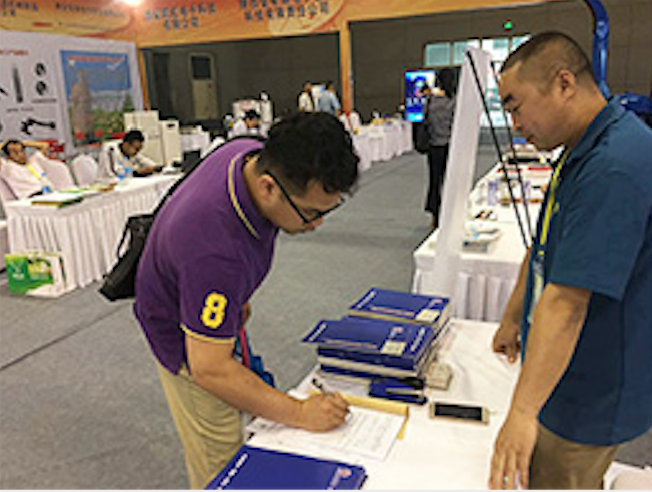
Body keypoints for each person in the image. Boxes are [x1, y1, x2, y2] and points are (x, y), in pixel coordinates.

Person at [134, 112, 358, 489]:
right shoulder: (216, 253)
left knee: (247, 395)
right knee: (221, 461)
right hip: (177, 330)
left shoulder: (249, 153)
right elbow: (209, 368)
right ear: (268, 187)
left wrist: (228, 298)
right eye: (311, 213)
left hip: (201, 283)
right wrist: (300, 412)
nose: (317, 224)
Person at [489, 31, 652, 490]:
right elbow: (545, 242)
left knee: (556, 479)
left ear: (564, 84)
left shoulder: (614, 163)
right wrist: (513, 315)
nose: (515, 124)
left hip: (591, 386)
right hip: (565, 371)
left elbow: (568, 302)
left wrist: (522, 412)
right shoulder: (580, 149)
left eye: (516, 107)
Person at [423, 68, 456, 229]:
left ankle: (436, 215)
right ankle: (451, 214)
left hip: (434, 146)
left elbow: (426, 121)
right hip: (450, 147)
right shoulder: (454, 101)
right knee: (451, 181)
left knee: (435, 181)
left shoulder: (431, 100)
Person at [97, 130, 161, 180]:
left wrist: (155, 167)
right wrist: (136, 172)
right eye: (136, 149)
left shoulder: (130, 152)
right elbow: (114, 173)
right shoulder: (110, 150)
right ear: (126, 144)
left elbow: (143, 160)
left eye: (139, 149)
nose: (136, 152)